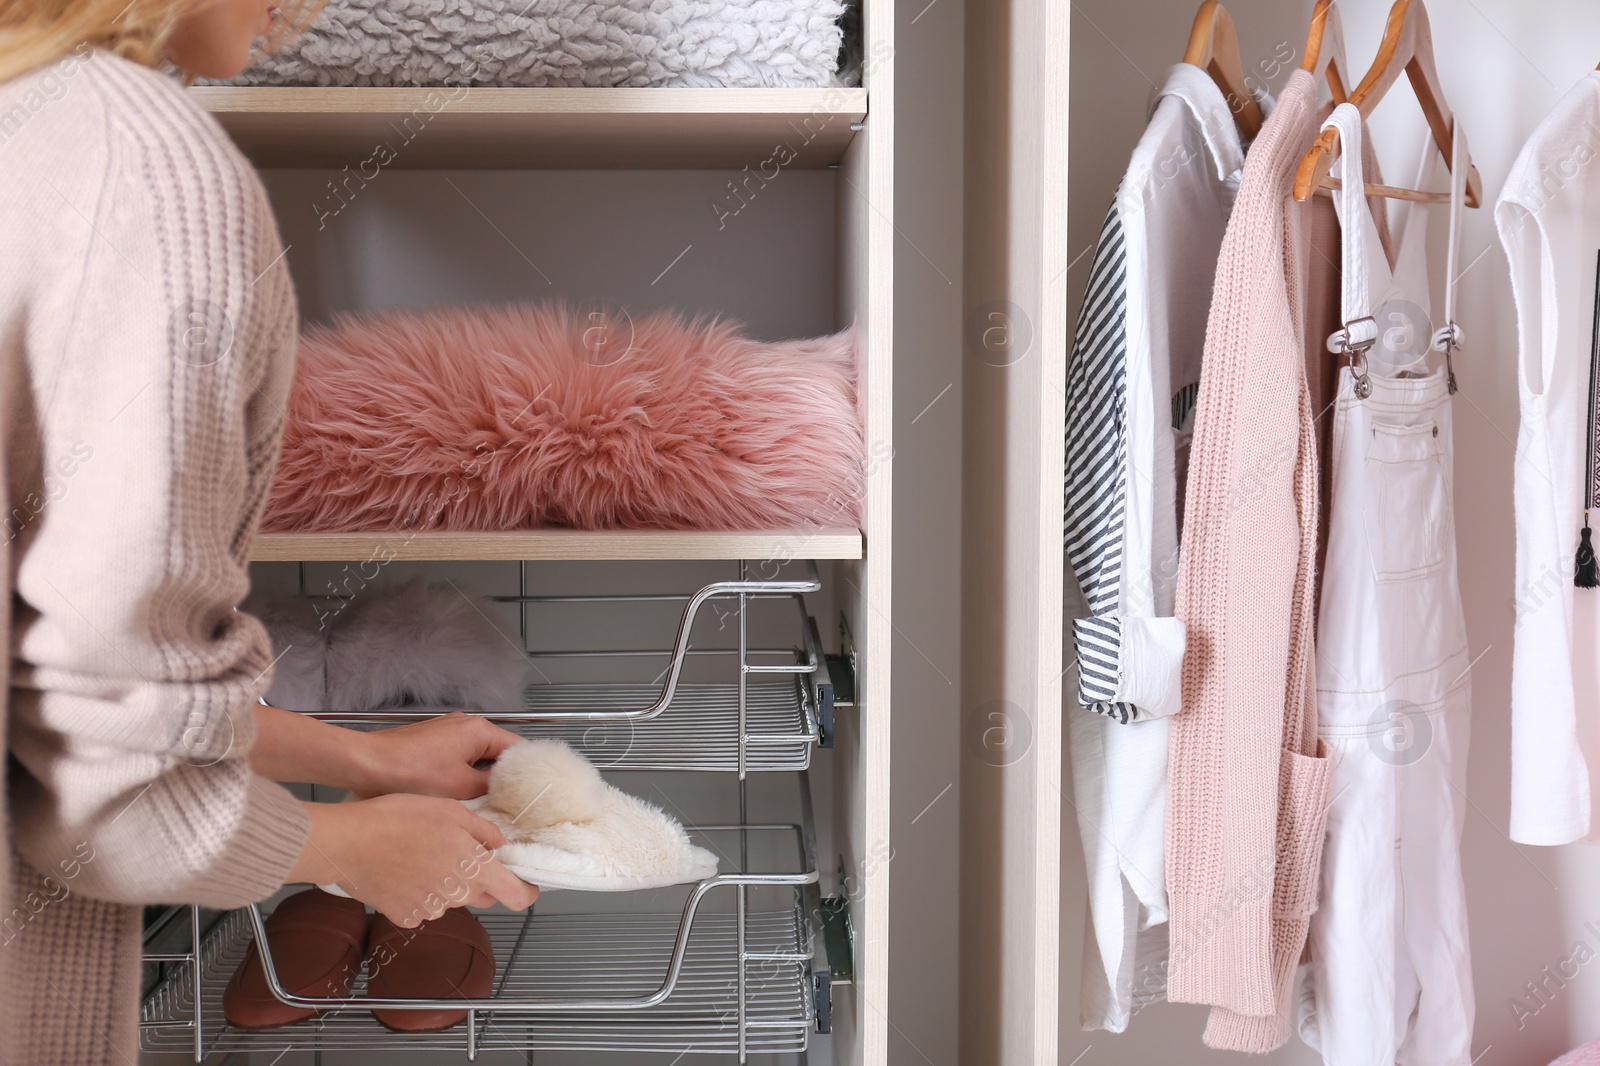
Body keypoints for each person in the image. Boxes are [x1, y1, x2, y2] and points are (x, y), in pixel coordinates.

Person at [0, 2, 540, 1061]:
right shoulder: (143, 167)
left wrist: (350, 753)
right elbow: (111, 800)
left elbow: (45, 676)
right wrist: (342, 844)